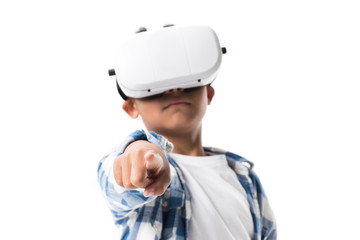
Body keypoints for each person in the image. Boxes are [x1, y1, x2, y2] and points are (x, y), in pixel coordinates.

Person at [97, 25, 277, 240]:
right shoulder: (131, 162)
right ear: (131, 107)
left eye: (187, 80)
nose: (175, 89)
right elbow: (118, 182)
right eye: (157, 87)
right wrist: (137, 150)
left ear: (208, 94)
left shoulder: (243, 175)